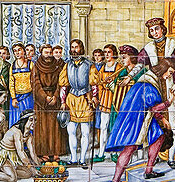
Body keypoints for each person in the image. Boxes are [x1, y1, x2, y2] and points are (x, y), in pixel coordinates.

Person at [106, 47, 173, 182]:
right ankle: (116, 180)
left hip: (143, 117)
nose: (169, 76)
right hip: (136, 119)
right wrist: (168, 103)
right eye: (169, 73)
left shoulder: (149, 78)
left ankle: (149, 170)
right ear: (163, 70)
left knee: (158, 136)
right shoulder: (148, 84)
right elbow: (153, 107)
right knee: (130, 148)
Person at [139, 18, 175, 167]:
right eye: (151, 30)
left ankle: (171, 158)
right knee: (155, 125)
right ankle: (154, 156)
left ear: (162, 28)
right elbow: (140, 64)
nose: (155, 32)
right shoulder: (148, 48)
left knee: (173, 124)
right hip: (156, 87)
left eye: (157, 29)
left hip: (173, 86)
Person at [60, 38, 99, 169]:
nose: (74, 50)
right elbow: (64, 85)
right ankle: (73, 159)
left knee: (85, 131)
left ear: (81, 49)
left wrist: (94, 98)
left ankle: (82, 159)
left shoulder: (89, 65)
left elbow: (94, 84)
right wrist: (62, 101)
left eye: (76, 47)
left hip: (85, 99)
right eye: (72, 47)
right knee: (71, 131)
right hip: (71, 99)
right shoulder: (67, 64)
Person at [31, 44, 67, 161]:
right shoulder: (36, 65)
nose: (48, 55)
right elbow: (35, 83)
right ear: (41, 53)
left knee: (55, 127)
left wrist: (56, 96)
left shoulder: (58, 64)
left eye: (50, 52)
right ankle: (43, 153)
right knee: (42, 128)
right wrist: (44, 97)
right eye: (45, 52)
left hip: (54, 98)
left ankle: (56, 152)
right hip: (42, 100)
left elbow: (61, 82)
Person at [93, 44, 122, 162]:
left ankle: (114, 153)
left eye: (109, 52)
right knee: (103, 127)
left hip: (115, 100)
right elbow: (99, 83)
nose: (106, 54)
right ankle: (101, 153)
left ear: (114, 53)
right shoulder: (103, 67)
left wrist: (114, 85)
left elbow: (122, 83)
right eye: (105, 52)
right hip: (105, 99)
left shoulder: (119, 67)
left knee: (114, 127)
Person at [8, 42, 34, 127]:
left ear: (24, 51)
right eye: (15, 51)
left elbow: (34, 80)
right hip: (16, 98)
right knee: (16, 120)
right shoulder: (12, 66)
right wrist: (14, 97)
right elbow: (11, 83)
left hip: (28, 96)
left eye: (19, 50)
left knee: (29, 120)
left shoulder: (30, 64)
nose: (17, 53)